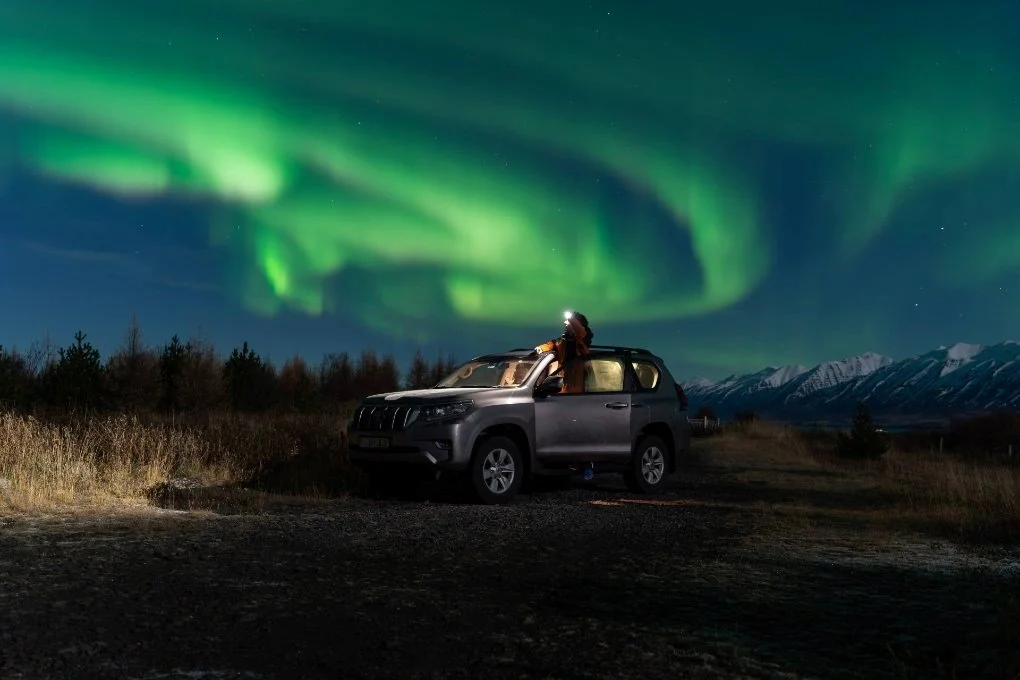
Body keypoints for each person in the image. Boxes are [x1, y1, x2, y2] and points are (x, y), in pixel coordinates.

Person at [533, 311, 594, 393]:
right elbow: (553, 344)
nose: (565, 322)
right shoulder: (563, 341)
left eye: (568, 321)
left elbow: (580, 331)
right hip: (564, 380)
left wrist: (571, 318)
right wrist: (542, 348)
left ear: (576, 324)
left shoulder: (581, 340)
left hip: (576, 382)